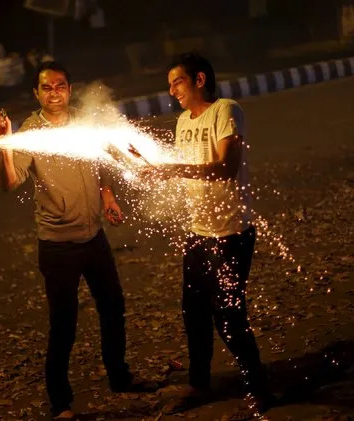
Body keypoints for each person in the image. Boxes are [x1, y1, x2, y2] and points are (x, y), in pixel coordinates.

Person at [0, 61, 157, 420]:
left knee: (113, 307)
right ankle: (60, 403)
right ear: (36, 93)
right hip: (57, 246)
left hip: (94, 238)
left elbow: (98, 162)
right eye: (47, 87)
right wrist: (5, 142)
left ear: (69, 88)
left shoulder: (83, 120)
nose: (55, 92)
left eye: (61, 85)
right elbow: (9, 183)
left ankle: (119, 377)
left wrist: (108, 196)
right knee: (64, 324)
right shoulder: (30, 132)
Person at [138, 53, 275, 419]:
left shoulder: (227, 110)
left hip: (230, 233)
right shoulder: (183, 121)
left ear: (199, 80)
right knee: (193, 313)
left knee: (229, 316)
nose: (172, 90)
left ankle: (258, 387)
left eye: (177, 82)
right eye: (169, 84)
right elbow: (187, 174)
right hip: (197, 234)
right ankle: (199, 383)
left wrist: (171, 169)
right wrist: (155, 172)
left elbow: (226, 167)